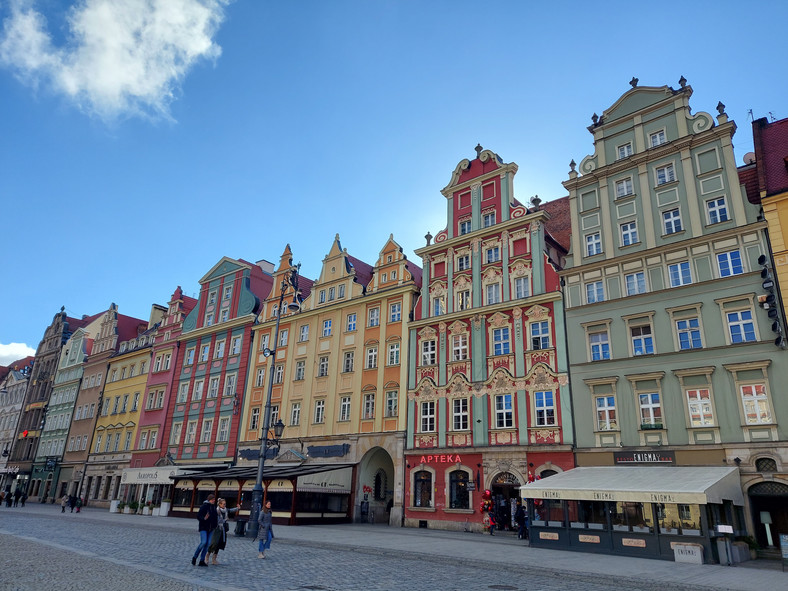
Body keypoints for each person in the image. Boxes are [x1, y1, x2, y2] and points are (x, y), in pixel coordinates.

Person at [207, 498, 239, 565]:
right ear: (220, 504)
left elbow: (231, 510)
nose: (225, 505)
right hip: (217, 529)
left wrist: (237, 508)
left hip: (223, 529)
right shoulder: (217, 511)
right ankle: (207, 556)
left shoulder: (226, 510)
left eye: (225, 504)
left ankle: (214, 559)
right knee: (214, 543)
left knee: (220, 544)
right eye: (223, 504)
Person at [192, 494, 217, 567]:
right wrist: (204, 518)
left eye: (214, 500)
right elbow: (198, 516)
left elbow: (215, 517)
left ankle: (202, 560)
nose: (214, 501)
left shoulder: (213, 507)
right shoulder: (204, 506)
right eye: (212, 499)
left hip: (211, 528)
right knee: (203, 542)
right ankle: (195, 557)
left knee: (207, 544)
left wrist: (215, 525)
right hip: (203, 527)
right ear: (209, 500)